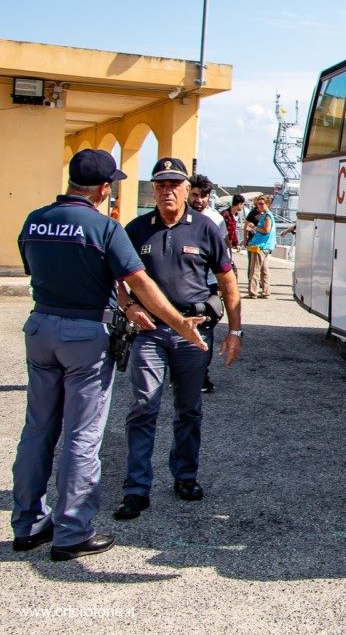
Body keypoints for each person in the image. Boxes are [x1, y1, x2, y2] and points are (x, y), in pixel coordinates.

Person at [12, 149, 207, 561]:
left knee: (37, 430)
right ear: (103, 189)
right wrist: (179, 323)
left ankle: (28, 524)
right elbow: (140, 283)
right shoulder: (104, 228)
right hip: (84, 335)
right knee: (81, 435)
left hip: (41, 327)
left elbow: (32, 268)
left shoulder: (34, 220)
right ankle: (72, 531)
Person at [111, 157, 242, 521]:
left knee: (188, 409)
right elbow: (116, 280)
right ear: (153, 190)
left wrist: (234, 331)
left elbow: (228, 281)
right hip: (148, 333)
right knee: (143, 407)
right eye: (161, 185)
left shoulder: (205, 229)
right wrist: (128, 306)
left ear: (187, 190)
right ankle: (136, 488)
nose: (167, 191)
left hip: (193, 333)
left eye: (174, 185)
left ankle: (185, 476)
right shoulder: (136, 229)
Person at [189, 173, 225, 393]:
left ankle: (201, 375)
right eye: (195, 195)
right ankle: (181, 373)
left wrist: (222, 285)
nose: (199, 200)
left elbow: (224, 254)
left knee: (205, 330)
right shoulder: (177, 217)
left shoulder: (216, 220)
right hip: (183, 283)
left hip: (208, 284)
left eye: (203, 196)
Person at [245, 194, 276, 299]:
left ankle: (253, 292)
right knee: (264, 270)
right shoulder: (267, 215)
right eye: (258, 204)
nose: (259, 205)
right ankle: (266, 292)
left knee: (255, 269)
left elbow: (266, 230)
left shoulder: (267, 216)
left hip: (261, 246)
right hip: (265, 246)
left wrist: (254, 227)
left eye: (261, 204)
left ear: (268, 204)